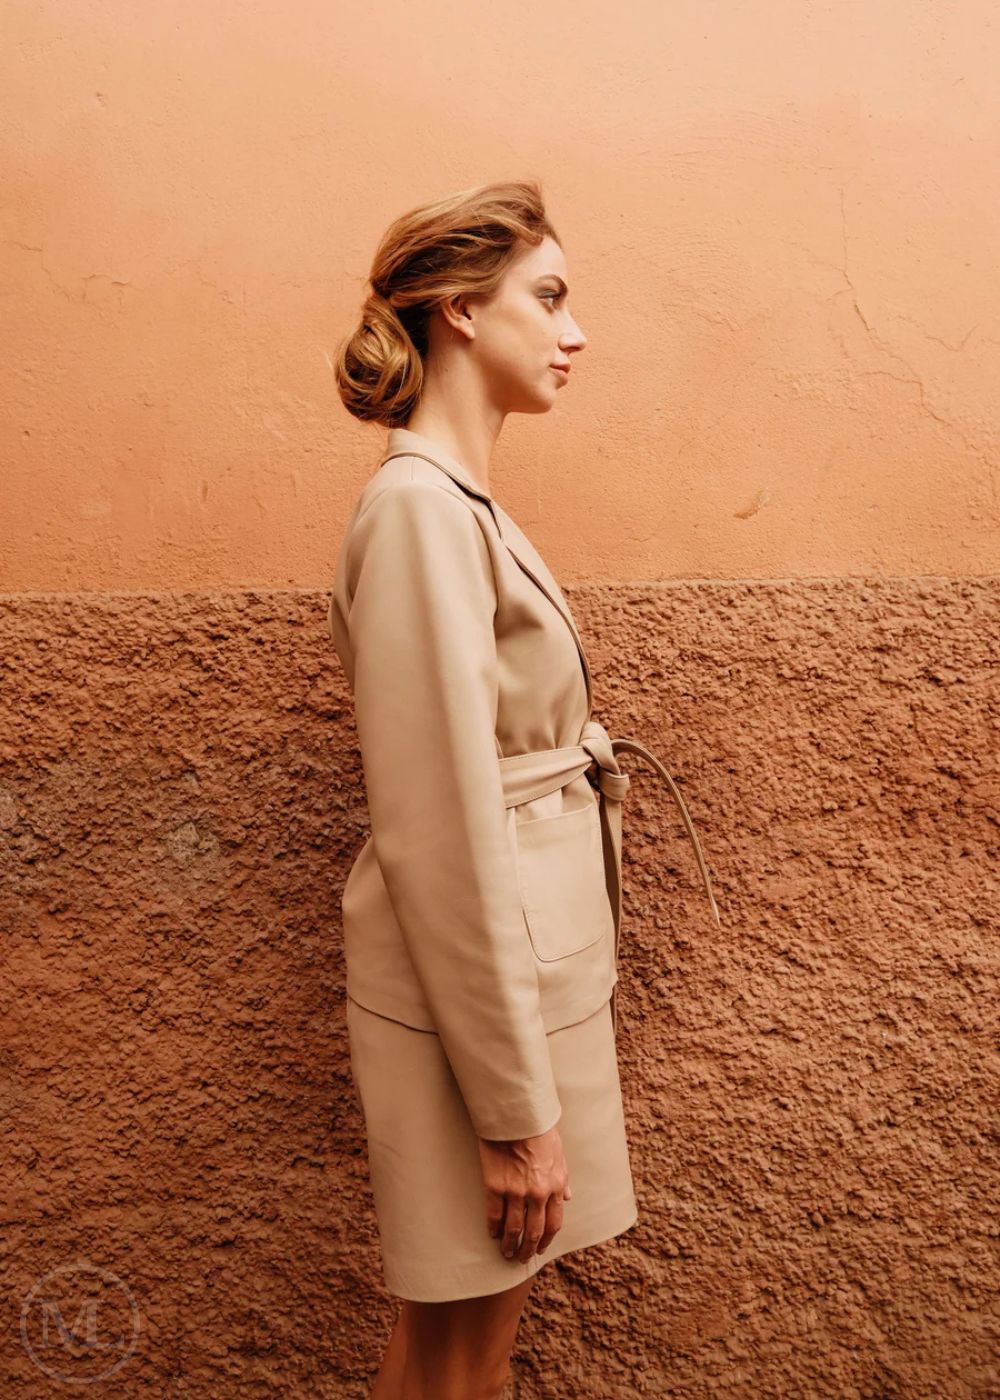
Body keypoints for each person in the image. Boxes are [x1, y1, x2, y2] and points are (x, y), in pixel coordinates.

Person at [327, 180, 720, 1399]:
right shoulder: (417, 514)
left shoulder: (459, 504)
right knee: (452, 1360)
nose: (573, 331)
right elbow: (435, 822)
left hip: (516, 992)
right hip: (475, 1017)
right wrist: (508, 1106)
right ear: (456, 311)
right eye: (546, 298)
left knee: (467, 1348)